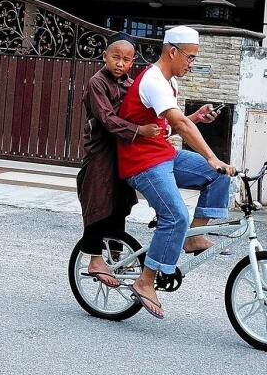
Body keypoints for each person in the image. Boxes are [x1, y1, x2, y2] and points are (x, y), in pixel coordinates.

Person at [115, 25, 234, 320]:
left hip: (162, 154)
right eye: (190, 58)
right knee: (176, 215)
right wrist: (211, 156)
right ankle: (145, 281)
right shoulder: (154, 80)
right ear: (172, 51)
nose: (191, 64)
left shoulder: (169, 83)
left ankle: (192, 238)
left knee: (219, 176)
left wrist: (195, 117)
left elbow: (170, 125)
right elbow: (179, 126)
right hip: (141, 162)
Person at [75, 35, 156, 288]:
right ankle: (95, 258)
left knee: (119, 204)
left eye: (126, 59)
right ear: (104, 56)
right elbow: (107, 119)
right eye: (115, 57)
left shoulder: (131, 85)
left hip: (122, 152)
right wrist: (139, 131)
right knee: (98, 202)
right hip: (101, 152)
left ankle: (116, 253)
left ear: (132, 62)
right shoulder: (97, 82)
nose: (120, 63)